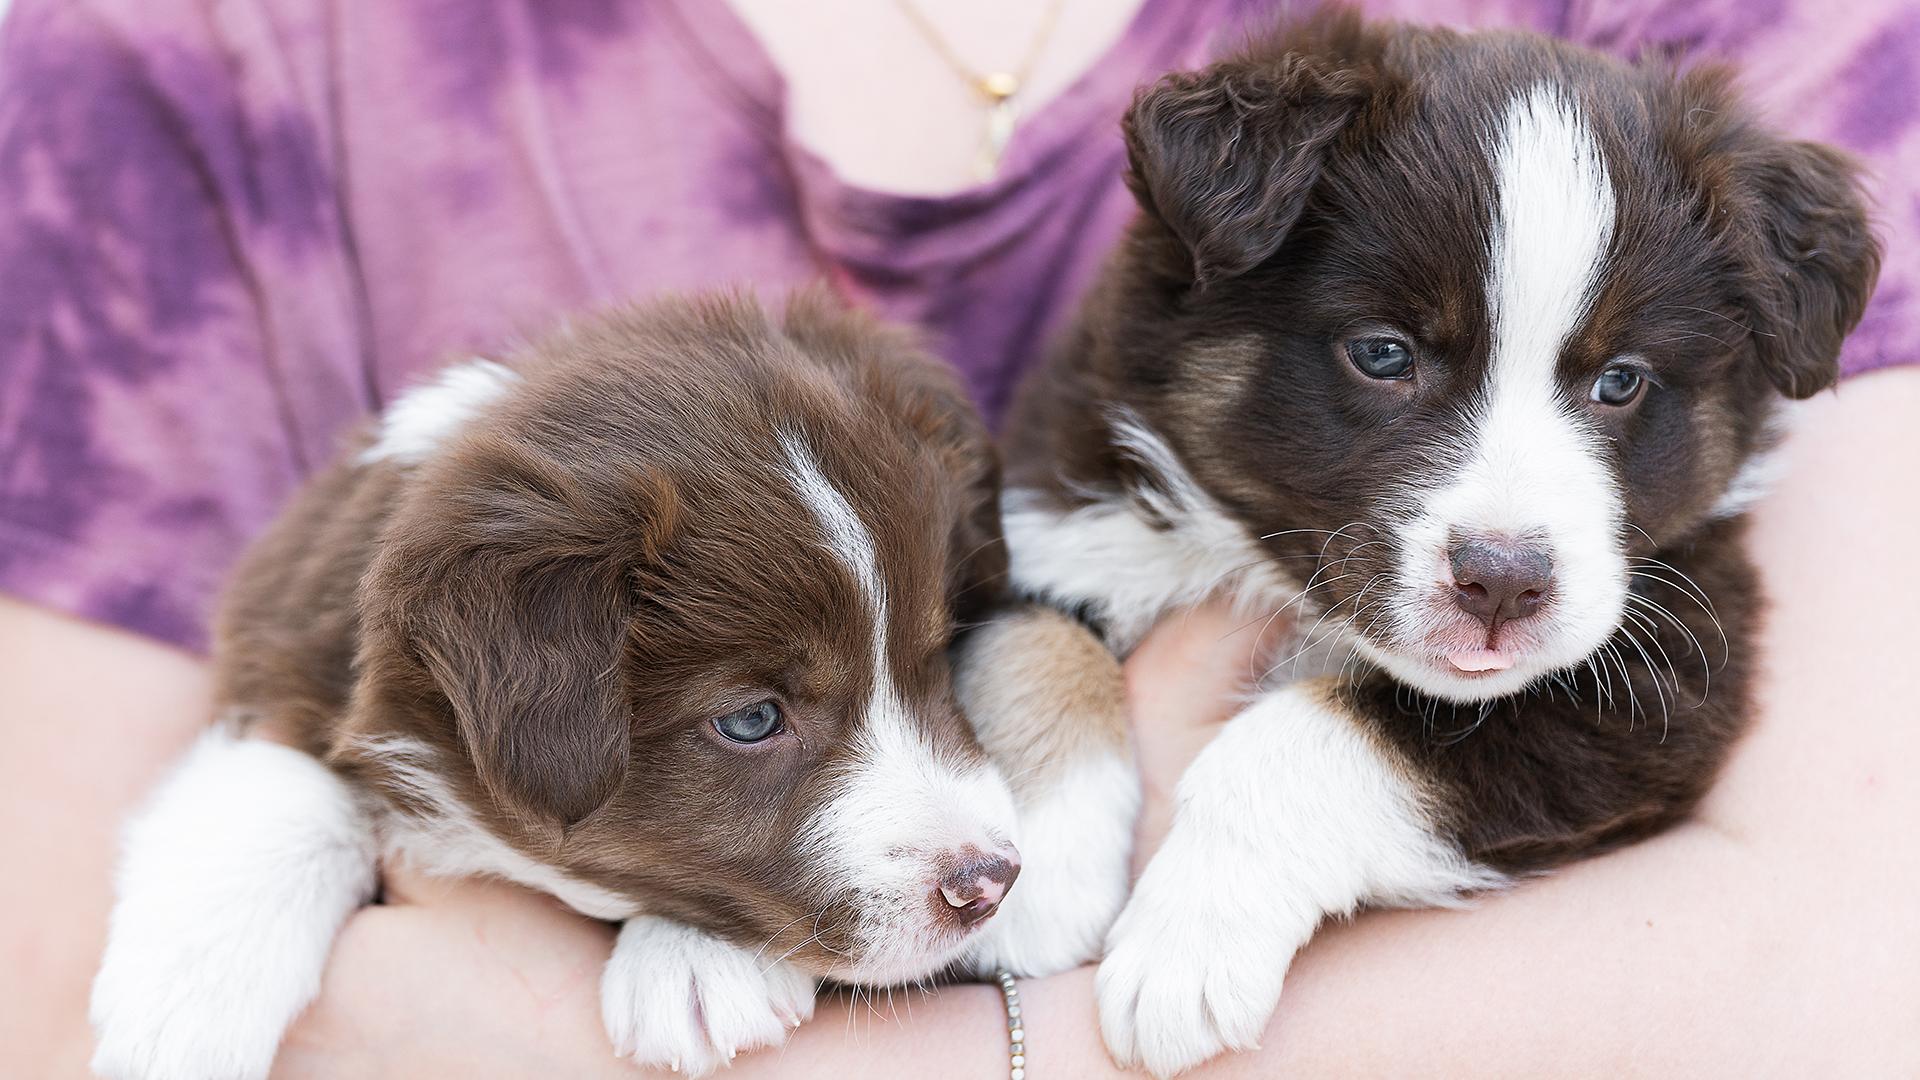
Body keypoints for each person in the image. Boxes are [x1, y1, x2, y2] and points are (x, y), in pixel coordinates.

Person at [2, 0, 1915, 1076]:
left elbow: (1842, 964)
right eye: (1391, 356)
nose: (1508, 523)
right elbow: (63, 976)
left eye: (1616, 387)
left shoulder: (1735, 59)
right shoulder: (187, 59)